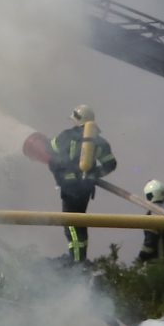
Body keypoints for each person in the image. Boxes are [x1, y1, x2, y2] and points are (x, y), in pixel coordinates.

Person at [46, 105, 116, 263]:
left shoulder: (66, 136)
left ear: (77, 120)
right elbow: (110, 164)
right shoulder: (99, 142)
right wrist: (95, 174)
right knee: (81, 224)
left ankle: (76, 263)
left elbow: (50, 150)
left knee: (71, 226)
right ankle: (81, 259)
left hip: (69, 189)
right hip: (85, 189)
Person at [136, 180, 164, 275]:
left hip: (156, 263)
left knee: (153, 289)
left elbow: (150, 243)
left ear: (149, 195)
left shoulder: (153, 214)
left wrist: (139, 259)